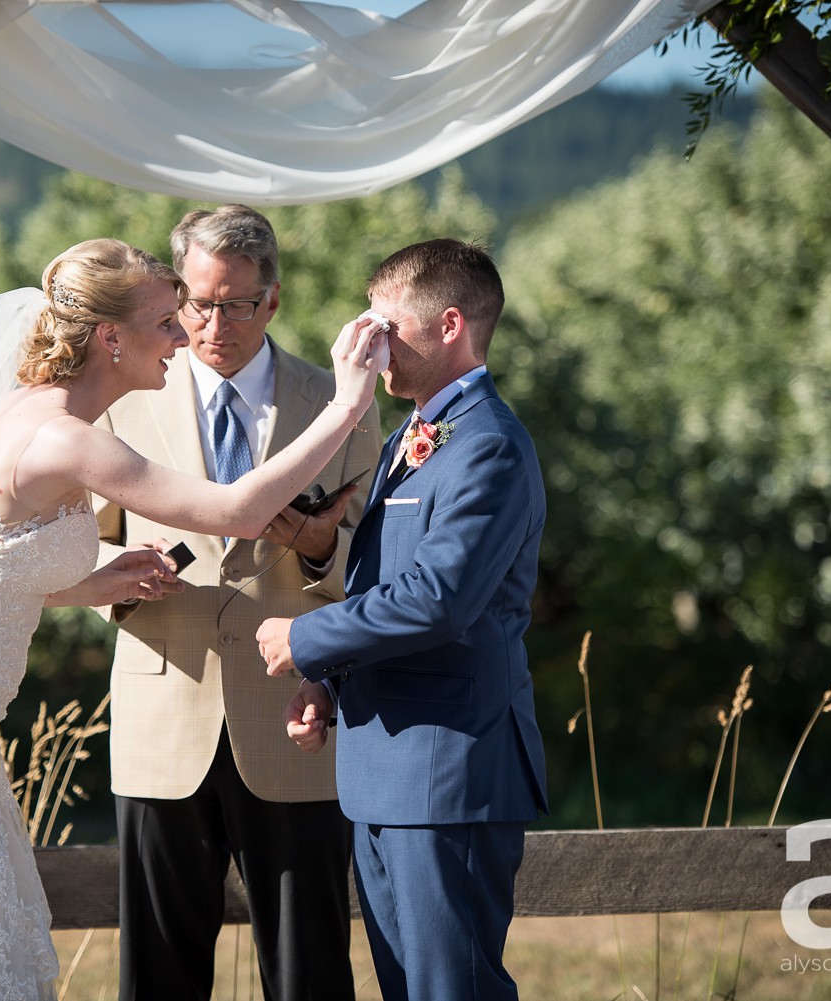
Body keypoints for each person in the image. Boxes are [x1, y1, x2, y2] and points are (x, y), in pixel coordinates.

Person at [0, 238, 385, 1001]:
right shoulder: (69, 438)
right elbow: (237, 510)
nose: (184, 336)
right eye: (167, 321)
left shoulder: (24, 410)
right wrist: (348, 405)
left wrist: (90, 580)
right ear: (110, 338)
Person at [95, 205, 380, 1001]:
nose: (211, 323)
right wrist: (119, 577)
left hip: (295, 722)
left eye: (235, 304)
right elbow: (81, 546)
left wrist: (320, 546)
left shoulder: (341, 402)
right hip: (161, 716)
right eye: (195, 302)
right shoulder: (123, 397)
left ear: (274, 301)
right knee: (156, 974)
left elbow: (372, 566)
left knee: (310, 972)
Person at [257, 238, 548, 1001]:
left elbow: (437, 599)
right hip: (387, 769)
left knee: (454, 990)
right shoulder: (409, 437)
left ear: (449, 324)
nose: (368, 343)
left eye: (385, 325)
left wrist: (303, 639)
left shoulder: (488, 445)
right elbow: (379, 580)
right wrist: (325, 678)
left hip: (449, 768)